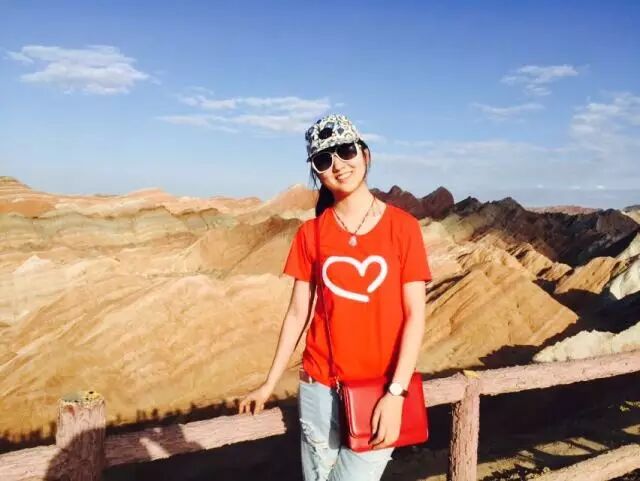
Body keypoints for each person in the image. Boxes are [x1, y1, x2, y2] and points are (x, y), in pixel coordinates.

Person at [238, 114, 432, 480]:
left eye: (346, 151)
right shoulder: (310, 234)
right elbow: (297, 314)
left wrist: (396, 394)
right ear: (316, 172)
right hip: (318, 389)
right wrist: (269, 383)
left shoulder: (403, 228)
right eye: (324, 160)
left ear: (365, 154)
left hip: (379, 390)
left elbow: (415, 316)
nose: (338, 165)